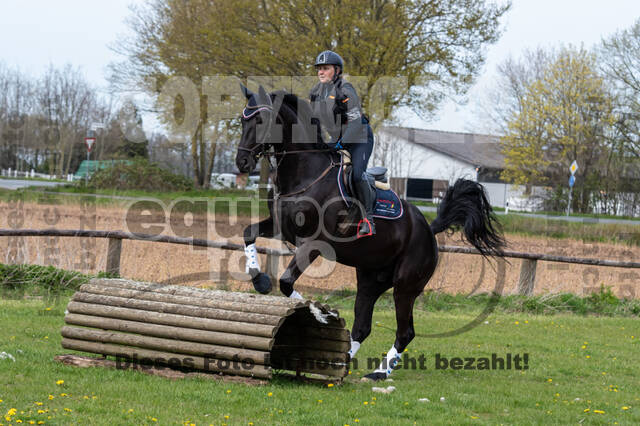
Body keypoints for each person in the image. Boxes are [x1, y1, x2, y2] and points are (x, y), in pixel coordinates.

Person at [309, 50, 376, 237]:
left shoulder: (346, 90)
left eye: (325, 68)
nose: (321, 72)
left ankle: (368, 220)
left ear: (336, 70)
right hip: (337, 139)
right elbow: (313, 121)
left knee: (355, 175)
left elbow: (355, 123)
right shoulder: (315, 93)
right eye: (319, 69)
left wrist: (340, 144)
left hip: (359, 138)